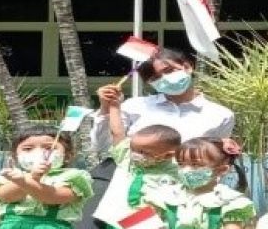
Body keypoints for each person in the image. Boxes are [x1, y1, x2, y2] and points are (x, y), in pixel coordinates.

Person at [90, 47, 234, 154]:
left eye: (169, 70)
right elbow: (102, 147)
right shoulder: (134, 106)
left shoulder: (221, 115)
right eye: (155, 78)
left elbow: (215, 157)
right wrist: (106, 109)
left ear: (188, 66)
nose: (164, 79)